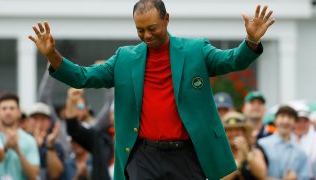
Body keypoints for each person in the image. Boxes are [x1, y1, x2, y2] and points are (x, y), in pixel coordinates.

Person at [28, 0, 275, 179]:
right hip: (142, 156)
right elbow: (84, 77)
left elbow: (232, 60)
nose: (146, 35)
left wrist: (251, 41)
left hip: (186, 155)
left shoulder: (195, 50)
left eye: (152, 28)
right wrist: (53, 55)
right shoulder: (124, 58)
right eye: (140, 29)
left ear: (167, 20)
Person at [258, 105, 309, 180]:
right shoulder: (262, 144)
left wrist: (296, 177)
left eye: (290, 117)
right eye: (282, 116)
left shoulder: (301, 152)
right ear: (275, 120)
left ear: (295, 123)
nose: (286, 121)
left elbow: (304, 176)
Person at [0, 94, 40, 180]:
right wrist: (6, 147)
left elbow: (33, 176)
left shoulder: (29, 140)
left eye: (12, 108)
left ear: (19, 113)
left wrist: (18, 150)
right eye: (4, 108)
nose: (8, 112)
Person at [221, 111, 267, 180]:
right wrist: (239, 161)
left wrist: (247, 154)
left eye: (238, 129)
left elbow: (262, 175)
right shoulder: (220, 152)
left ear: (244, 132)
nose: (234, 133)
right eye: (229, 130)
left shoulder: (254, 148)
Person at [28, 102, 65, 179]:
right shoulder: (20, 140)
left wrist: (50, 146)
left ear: (49, 123)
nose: (39, 123)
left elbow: (55, 174)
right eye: (35, 119)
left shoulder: (56, 145)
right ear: (28, 121)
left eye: (43, 119)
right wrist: (34, 146)